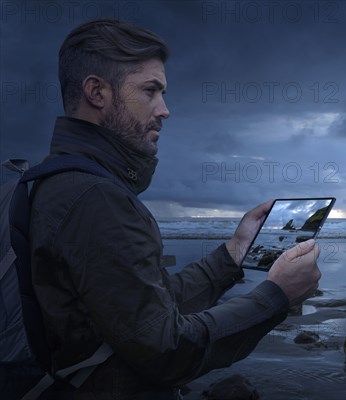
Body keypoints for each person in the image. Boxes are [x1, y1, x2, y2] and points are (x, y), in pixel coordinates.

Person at [26, 19, 321, 399]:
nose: (165, 110)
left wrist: (233, 254)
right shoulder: (94, 199)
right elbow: (166, 350)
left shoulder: (55, 181)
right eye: (150, 91)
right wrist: (276, 295)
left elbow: (148, 312)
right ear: (96, 92)